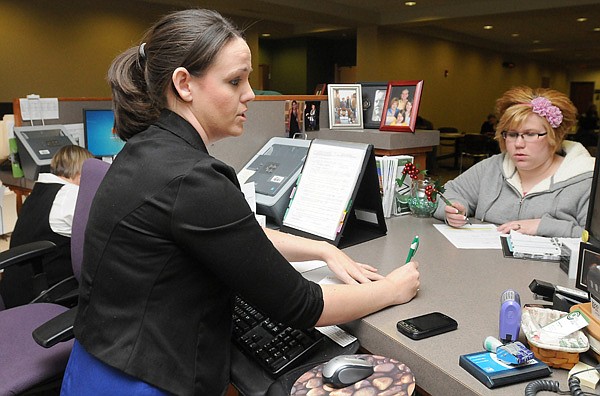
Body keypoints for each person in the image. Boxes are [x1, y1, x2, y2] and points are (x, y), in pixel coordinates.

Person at [62, 9, 420, 396]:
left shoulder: (146, 151)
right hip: (145, 382)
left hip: (95, 363)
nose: (250, 94)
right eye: (235, 81)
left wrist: (321, 248)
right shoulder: (193, 179)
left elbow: (237, 237)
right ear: (184, 84)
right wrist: (393, 290)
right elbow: (300, 305)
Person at [433, 86, 595, 238]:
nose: (518, 144)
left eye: (530, 134)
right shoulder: (492, 167)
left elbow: (594, 240)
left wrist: (543, 226)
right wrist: (453, 208)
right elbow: (446, 193)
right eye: (511, 134)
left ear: (555, 137)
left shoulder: (587, 182)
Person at [0, 145, 93, 308]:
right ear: (81, 172)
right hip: (46, 298)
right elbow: (98, 235)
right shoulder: (70, 196)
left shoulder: (39, 191)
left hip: (14, 292)